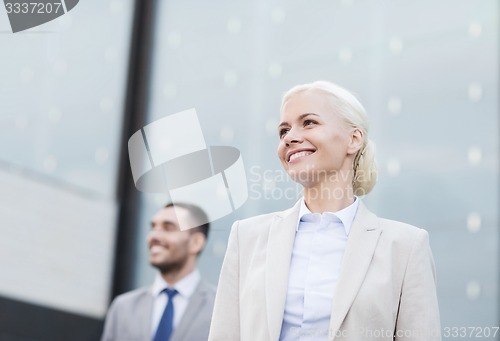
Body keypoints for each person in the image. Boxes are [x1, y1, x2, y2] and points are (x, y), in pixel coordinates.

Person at [209, 81, 441, 340]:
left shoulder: (406, 247)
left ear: (353, 139)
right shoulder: (246, 238)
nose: (290, 138)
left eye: (309, 122)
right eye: (283, 130)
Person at [101, 203, 215, 341]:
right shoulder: (123, 308)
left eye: (168, 228)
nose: (153, 236)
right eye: (153, 227)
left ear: (196, 242)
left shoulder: (219, 308)